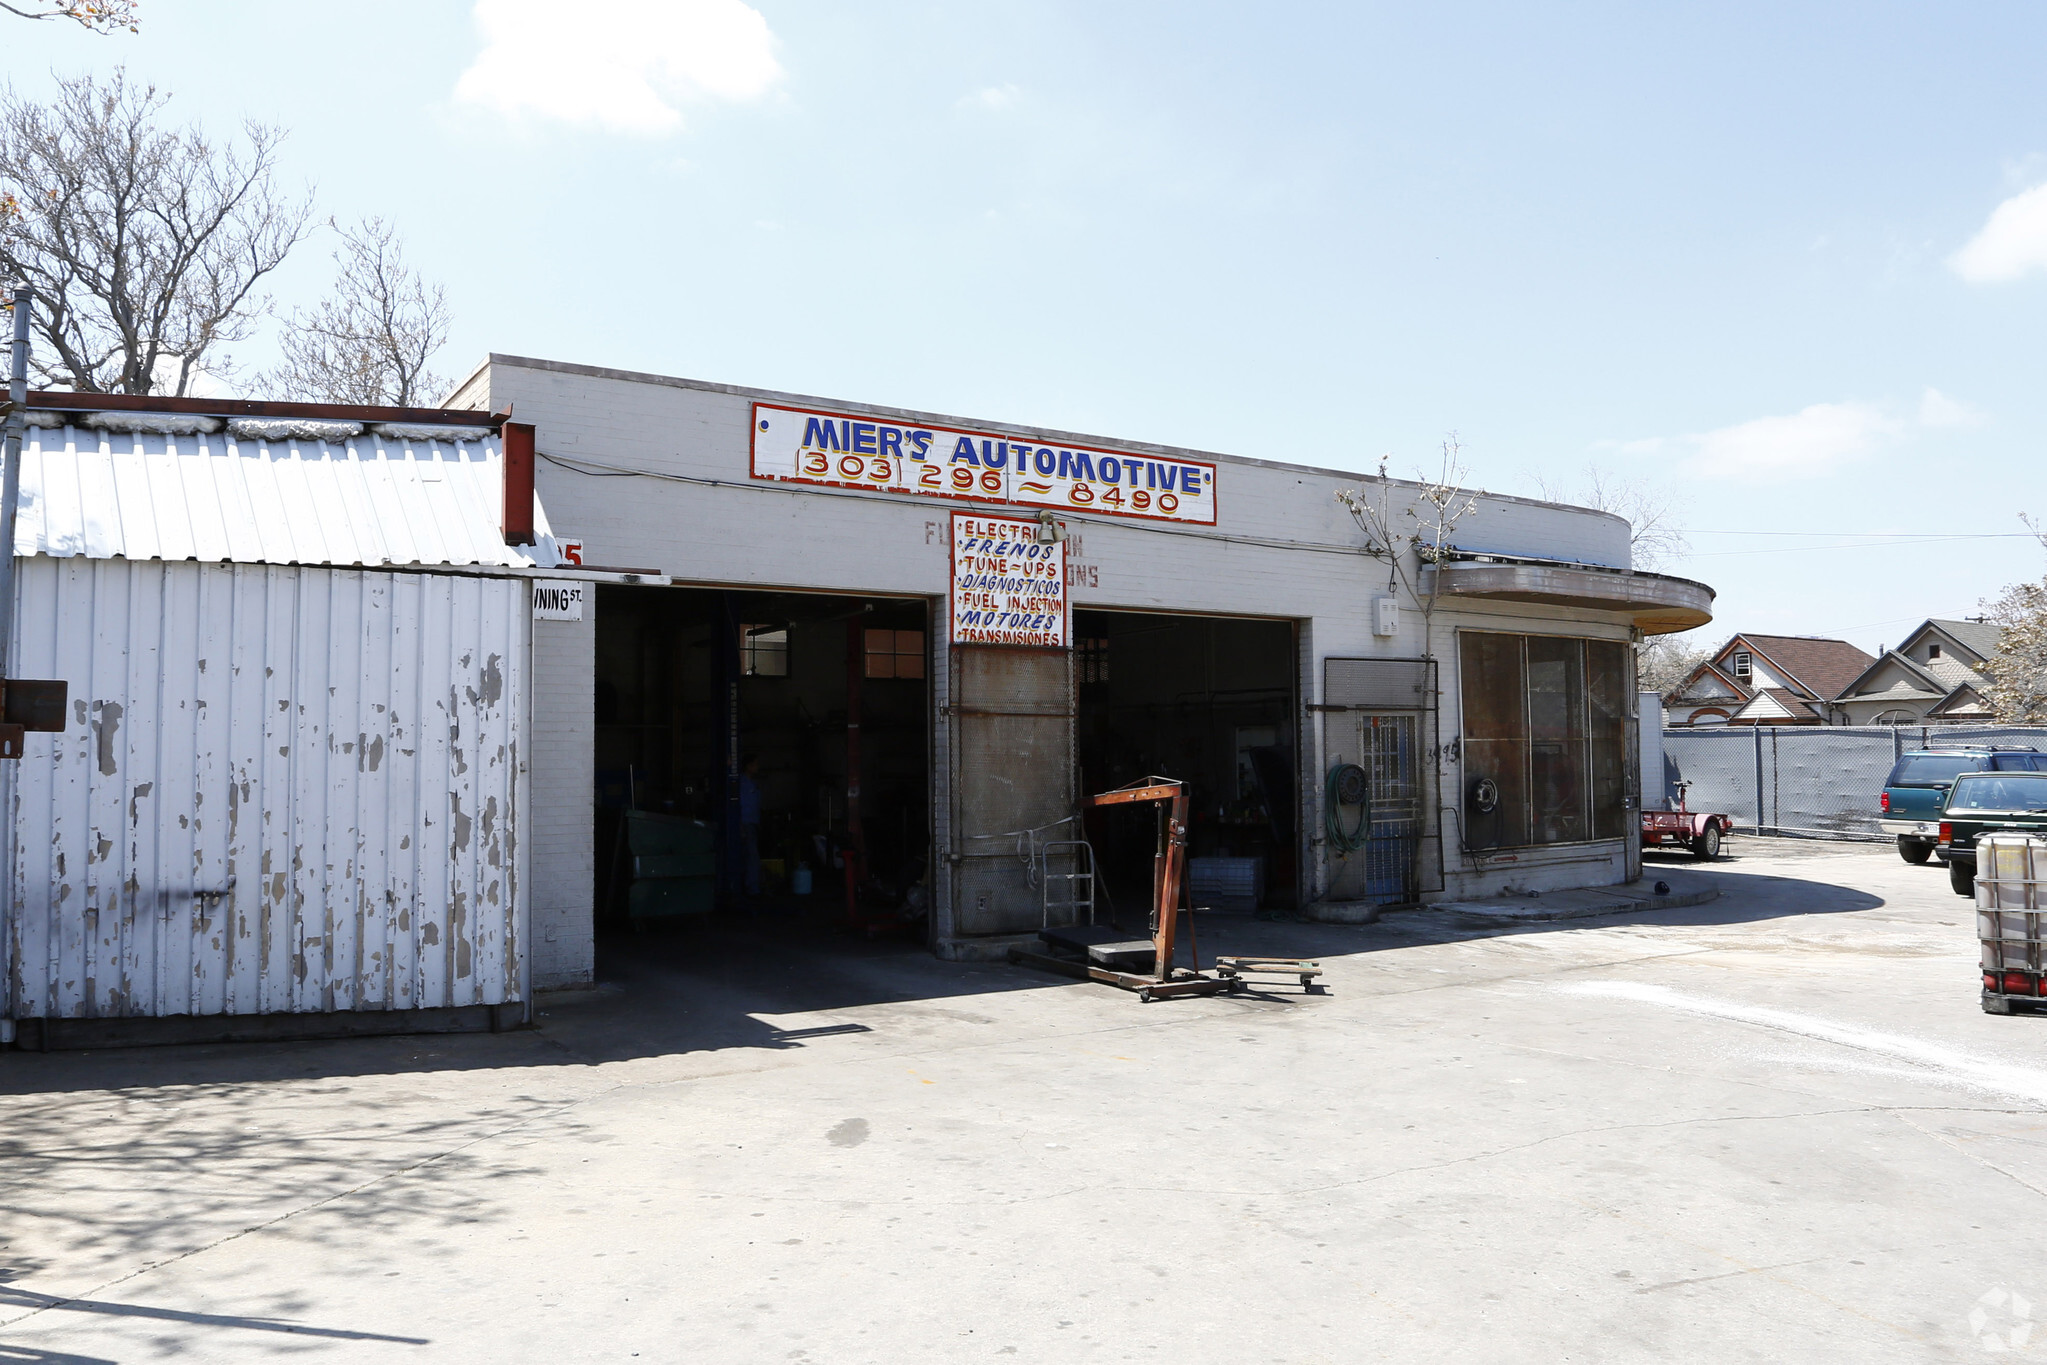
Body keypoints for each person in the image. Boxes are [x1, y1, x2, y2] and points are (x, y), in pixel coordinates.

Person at [738, 755, 763, 898]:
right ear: (748, 766)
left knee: (750, 855)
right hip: (745, 824)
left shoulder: (752, 784)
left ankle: (751, 885)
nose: (757, 767)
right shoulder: (742, 783)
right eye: (755, 764)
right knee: (751, 856)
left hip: (751, 823)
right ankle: (752, 888)